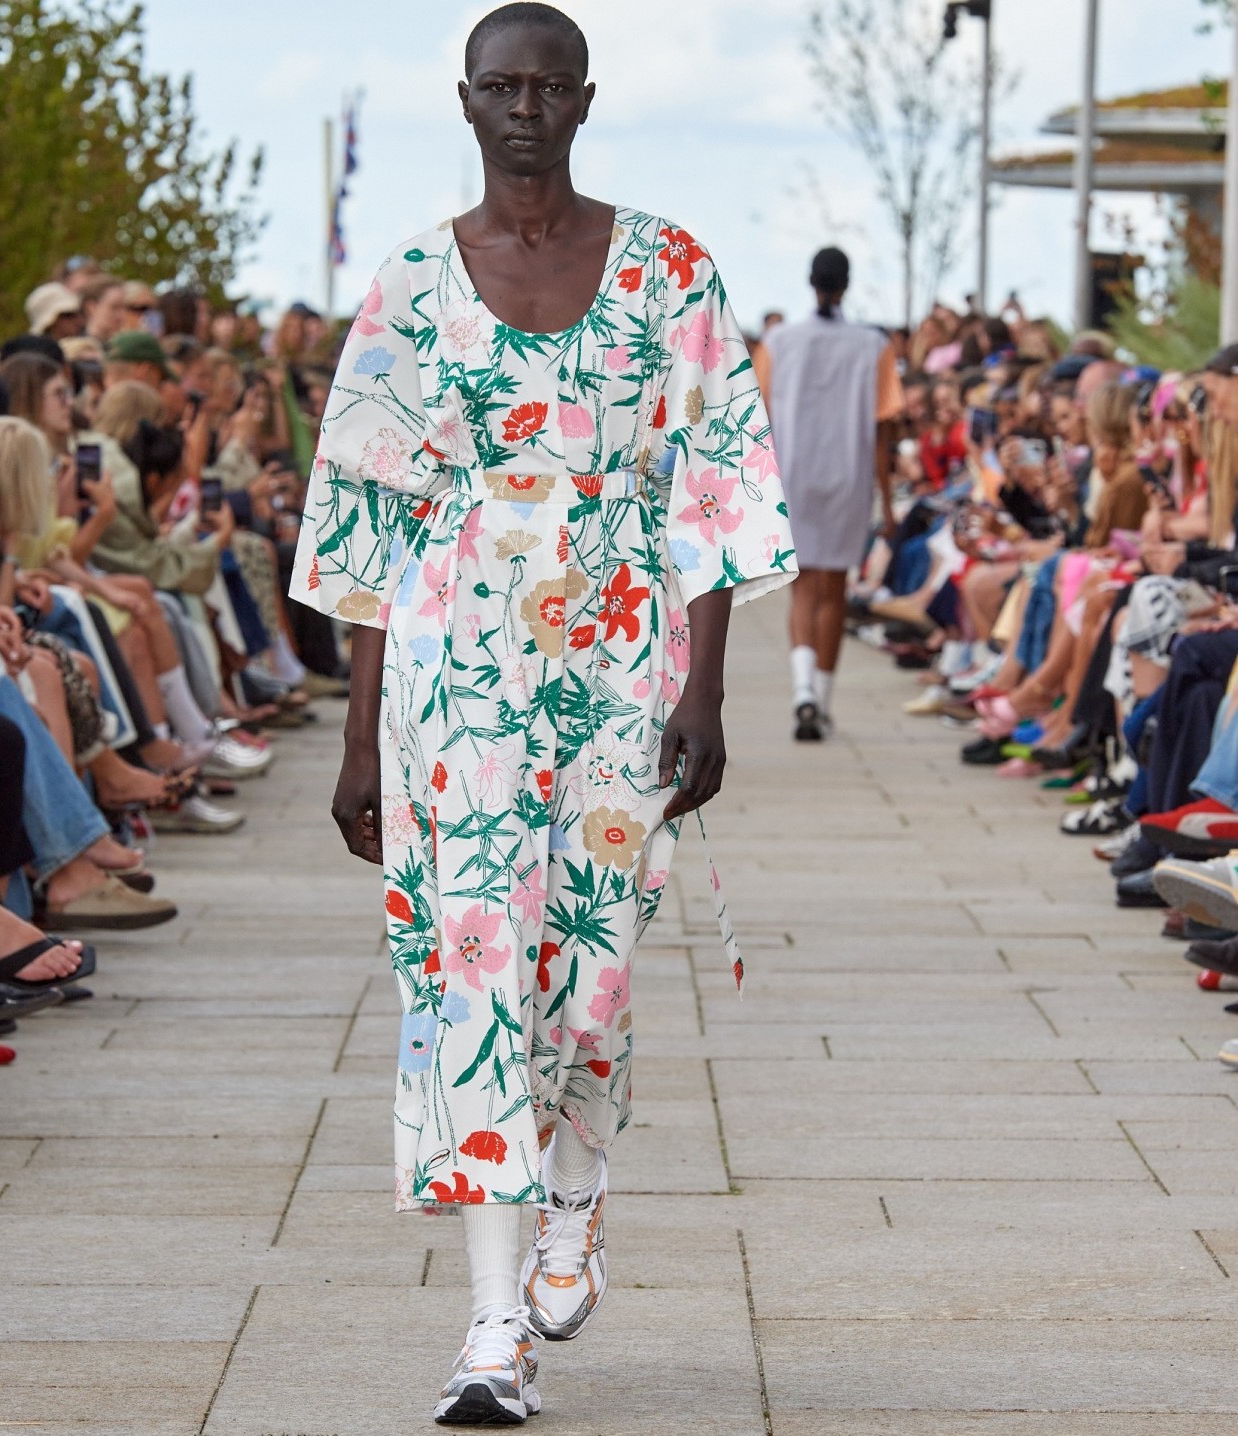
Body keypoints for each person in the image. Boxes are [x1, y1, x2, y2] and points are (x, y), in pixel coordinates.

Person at [289, 3, 793, 1424]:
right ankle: (493, 1328)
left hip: (622, 656)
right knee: (472, 983)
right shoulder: (403, 286)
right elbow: (368, 524)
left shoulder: (668, 270)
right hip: (454, 679)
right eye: (499, 85)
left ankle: (580, 1184)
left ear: (583, 101)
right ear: (465, 100)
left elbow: (712, 490)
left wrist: (705, 687)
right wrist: (355, 729)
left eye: (547, 85)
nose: (523, 106)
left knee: (594, 970)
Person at [755, 246, 904, 740]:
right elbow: (884, 430)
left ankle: (801, 690)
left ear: (810, 280)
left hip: (792, 474)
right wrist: (886, 498)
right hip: (849, 475)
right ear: (847, 283)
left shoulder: (779, 342)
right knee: (833, 587)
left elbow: (758, 419)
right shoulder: (873, 345)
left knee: (803, 586)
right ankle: (821, 696)